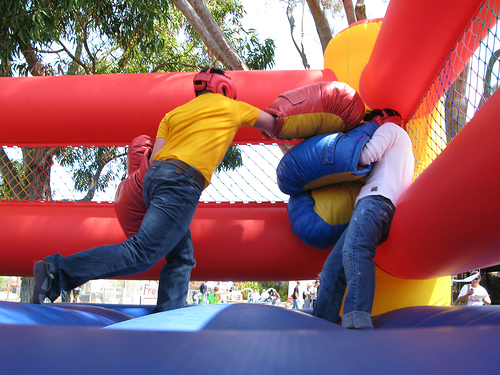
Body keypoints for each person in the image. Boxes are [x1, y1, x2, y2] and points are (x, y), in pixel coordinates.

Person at [30, 67, 276, 313]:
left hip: (156, 179)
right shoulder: (232, 107)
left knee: (181, 258)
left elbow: (156, 156)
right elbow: (274, 123)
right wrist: (274, 126)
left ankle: (169, 313)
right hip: (182, 182)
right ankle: (56, 271)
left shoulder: (174, 114)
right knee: (142, 252)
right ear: (225, 88)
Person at [313, 109, 414, 329]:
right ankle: (322, 322)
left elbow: (366, 155)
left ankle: (356, 319)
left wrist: (344, 152)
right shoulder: (406, 146)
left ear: (379, 119)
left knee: (355, 251)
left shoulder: (389, 129)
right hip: (380, 205)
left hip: (375, 200)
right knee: (333, 267)